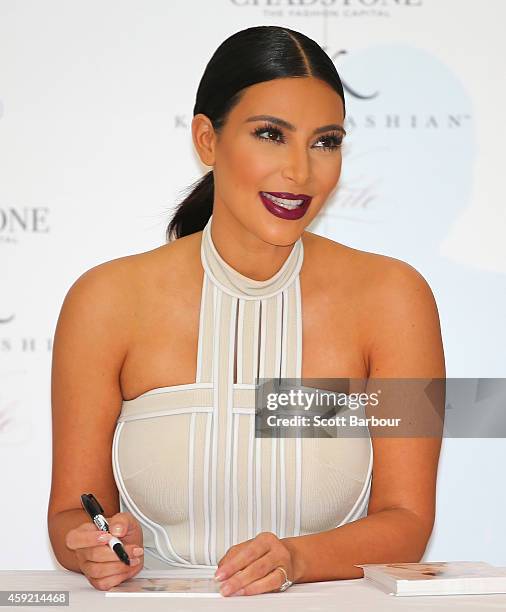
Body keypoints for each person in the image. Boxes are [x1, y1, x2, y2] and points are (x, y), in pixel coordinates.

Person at [47, 25, 445, 596]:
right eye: (270, 135)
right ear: (207, 140)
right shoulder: (105, 301)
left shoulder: (394, 298)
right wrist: (89, 547)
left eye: (325, 141)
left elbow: (408, 520)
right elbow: (69, 511)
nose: (302, 172)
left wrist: (296, 559)